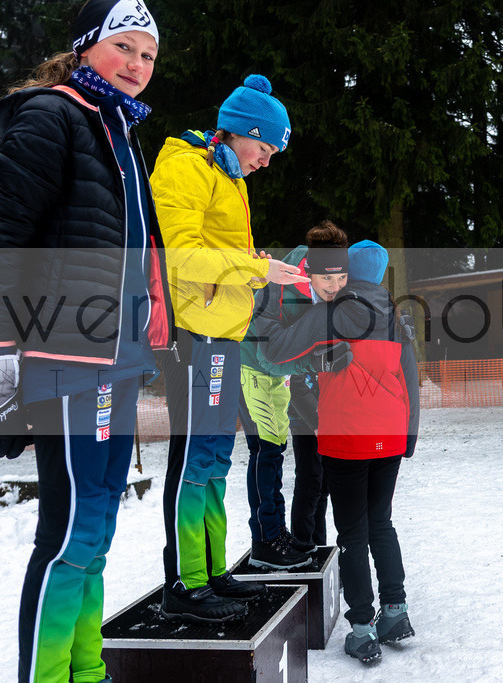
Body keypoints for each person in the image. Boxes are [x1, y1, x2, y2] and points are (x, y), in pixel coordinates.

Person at [0, 1, 175, 679]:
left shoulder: (118, 129)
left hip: (114, 356)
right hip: (65, 356)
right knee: (68, 534)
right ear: (88, 46)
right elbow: (3, 237)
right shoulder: (53, 115)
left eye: (148, 56)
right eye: (125, 47)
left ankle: (84, 668)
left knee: (98, 529)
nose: (138, 66)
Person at [150, 74, 308, 622]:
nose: (266, 162)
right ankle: (185, 584)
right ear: (240, 132)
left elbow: (217, 256)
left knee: (215, 459)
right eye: (264, 148)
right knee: (193, 458)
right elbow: (181, 259)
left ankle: (212, 570)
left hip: (223, 333)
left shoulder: (227, 173)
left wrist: (254, 267)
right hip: (192, 335)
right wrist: (257, 268)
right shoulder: (186, 166)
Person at [270, 240, 420, 664]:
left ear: (347, 273)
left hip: (346, 437)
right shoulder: (396, 316)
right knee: (382, 524)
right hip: (390, 435)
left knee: (352, 533)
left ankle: (362, 628)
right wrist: (410, 435)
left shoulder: (329, 313)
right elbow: (410, 378)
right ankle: (396, 611)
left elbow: (278, 350)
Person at [238, 222, 350, 569]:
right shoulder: (283, 285)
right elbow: (266, 352)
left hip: (283, 376)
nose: (334, 287)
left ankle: (278, 536)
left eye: (341, 278)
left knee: (276, 451)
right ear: (309, 272)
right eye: (327, 279)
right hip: (251, 367)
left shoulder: (328, 291)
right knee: (267, 451)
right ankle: (266, 541)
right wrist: (313, 362)